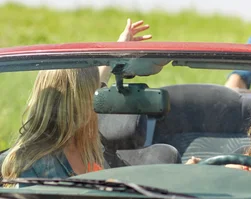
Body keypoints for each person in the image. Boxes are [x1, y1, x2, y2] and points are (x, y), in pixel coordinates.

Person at [1, 19, 152, 180]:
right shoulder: (30, 165)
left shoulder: (84, 145)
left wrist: (117, 50)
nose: (99, 98)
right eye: (95, 94)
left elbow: (92, 85)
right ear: (80, 104)